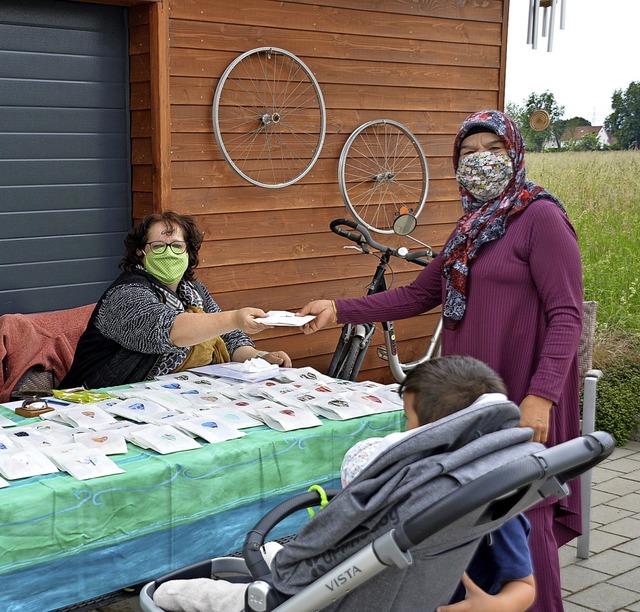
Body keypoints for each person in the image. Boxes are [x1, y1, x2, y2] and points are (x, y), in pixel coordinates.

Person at [297, 109, 583, 611]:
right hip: (467, 395)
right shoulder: (471, 226)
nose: (481, 161)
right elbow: (417, 296)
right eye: (468, 153)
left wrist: (541, 398)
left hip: (522, 392)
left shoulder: (540, 217)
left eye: (493, 149)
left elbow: (567, 315)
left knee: (523, 512)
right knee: (474, 510)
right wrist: (338, 310)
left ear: (514, 153)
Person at [152, 355, 535, 612]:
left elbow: (523, 587)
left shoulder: (476, 499)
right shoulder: (477, 485)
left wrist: (496, 606)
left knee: (171, 595)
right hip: (380, 589)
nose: (405, 433)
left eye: (409, 421)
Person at [60, 211, 291, 390]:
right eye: (158, 246)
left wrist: (259, 358)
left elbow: (228, 336)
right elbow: (168, 330)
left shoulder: (194, 291)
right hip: (97, 399)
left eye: (177, 246)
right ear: (141, 251)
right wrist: (234, 318)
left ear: (189, 252)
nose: (169, 253)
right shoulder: (126, 294)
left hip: (170, 394)